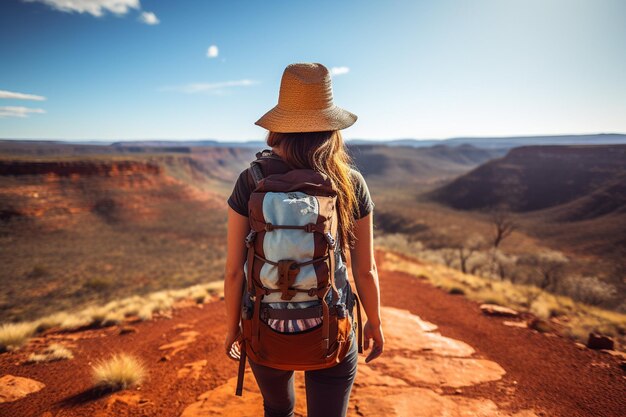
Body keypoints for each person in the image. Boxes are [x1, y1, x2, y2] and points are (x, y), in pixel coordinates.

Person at [223, 62, 384, 417]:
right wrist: (374, 321)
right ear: (332, 126)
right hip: (331, 327)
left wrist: (233, 328)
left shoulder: (250, 181)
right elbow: (365, 268)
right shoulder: (349, 182)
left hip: (264, 325)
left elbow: (234, 270)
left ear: (279, 125)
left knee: (278, 410)